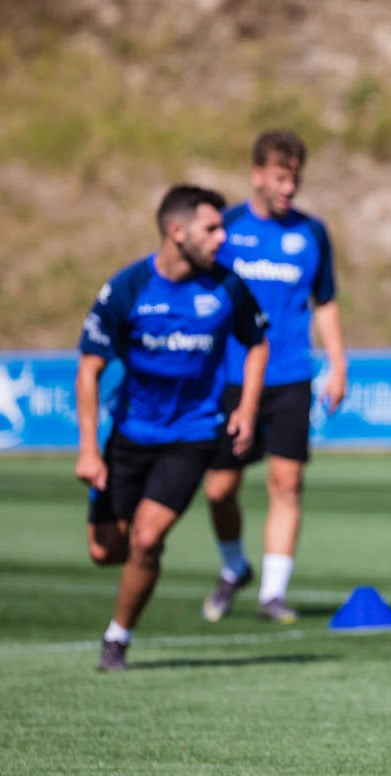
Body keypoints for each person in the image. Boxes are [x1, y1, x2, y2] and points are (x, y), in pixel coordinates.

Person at [76, 184, 268, 672]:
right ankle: (135, 581)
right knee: (105, 550)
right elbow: (89, 368)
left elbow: (258, 342)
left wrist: (245, 407)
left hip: (192, 435)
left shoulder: (229, 286)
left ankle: (117, 638)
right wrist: (89, 450)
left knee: (147, 537)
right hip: (130, 435)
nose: (224, 237)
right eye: (213, 228)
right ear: (177, 232)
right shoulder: (126, 289)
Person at [199, 129, 348, 625]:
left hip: (289, 376)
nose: (290, 188)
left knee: (286, 483)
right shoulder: (225, 228)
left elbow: (324, 301)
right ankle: (233, 565)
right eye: (281, 178)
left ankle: (272, 593)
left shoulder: (311, 233)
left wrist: (337, 363)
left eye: (296, 179)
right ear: (257, 175)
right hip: (229, 377)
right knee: (219, 489)